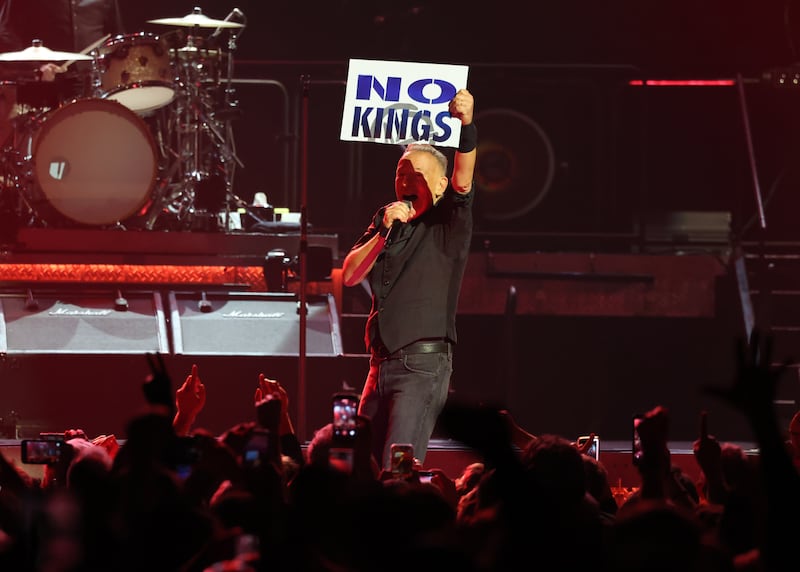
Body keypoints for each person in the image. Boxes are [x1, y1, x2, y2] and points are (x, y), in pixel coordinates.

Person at [341, 88, 477, 470]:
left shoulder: (448, 220)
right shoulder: (386, 220)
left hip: (421, 366)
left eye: (417, 174)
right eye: (401, 173)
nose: (406, 179)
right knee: (359, 464)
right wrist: (383, 232)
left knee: (397, 467)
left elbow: (463, 179)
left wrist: (467, 125)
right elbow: (350, 275)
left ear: (439, 185)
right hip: (379, 365)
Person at [0, 0, 124, 99]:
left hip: (94, 83)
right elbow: (7, 34)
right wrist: (36, 69)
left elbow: (116, 39)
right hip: (44, 86)